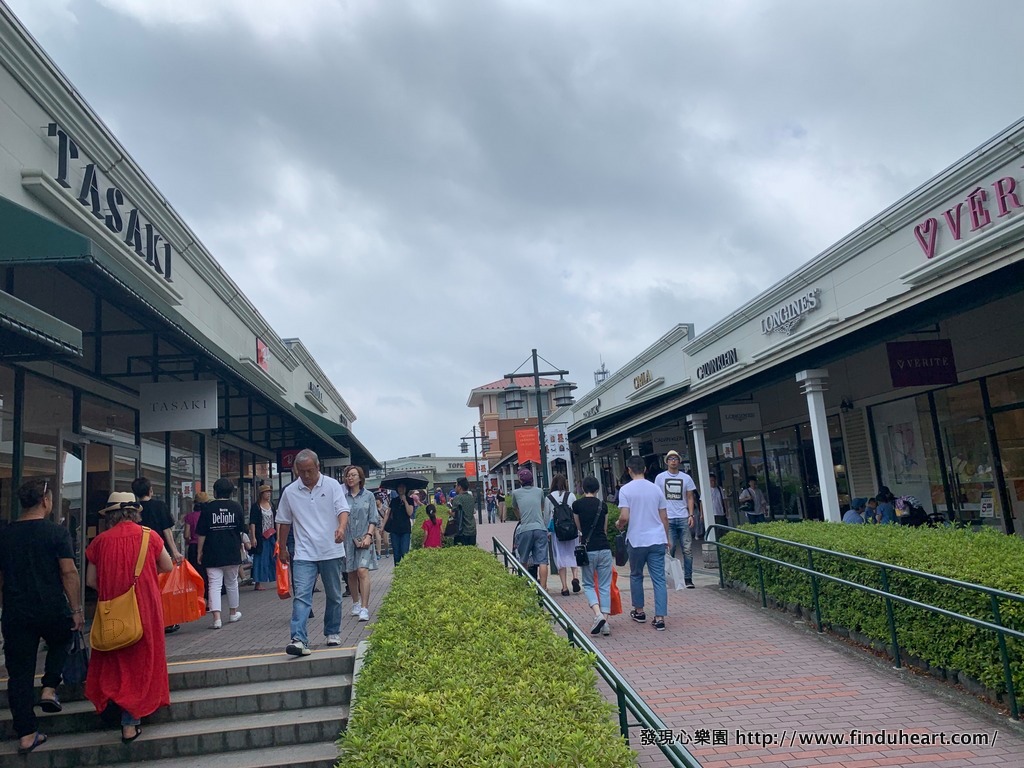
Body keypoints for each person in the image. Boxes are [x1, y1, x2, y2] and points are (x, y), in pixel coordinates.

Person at [0, 478, 84, 754]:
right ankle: (49, 686)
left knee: (19, 673)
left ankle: (26, 733)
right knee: (63, 638)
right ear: (45, 500)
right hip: (50, 606)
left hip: (16, 610)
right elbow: (69, 572)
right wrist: (76, 609)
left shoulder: (5, 534)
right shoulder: (56, 533)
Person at [85, 491, 173, 743]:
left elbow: (91, 580)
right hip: (145, 606)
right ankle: (131, 719)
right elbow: (167, 566)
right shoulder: (149, 536)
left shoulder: (100, 541)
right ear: (135, 512)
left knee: (114, 658)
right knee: (143, 658)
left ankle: (114, 706)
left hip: (112, 609)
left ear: (110, 516)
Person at [276, 449, 350, 655]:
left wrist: (341, 528)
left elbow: (342, 510)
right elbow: (283, 521)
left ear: (318, 467)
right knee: (301, 596)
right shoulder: (290, 491)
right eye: (302, 472)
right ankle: (298, 638)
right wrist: (282, 548)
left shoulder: (332, 485)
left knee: (334, 595)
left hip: (331, 550)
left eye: (310, 471)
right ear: (296, 470)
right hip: (304, 553)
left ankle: (332, 631)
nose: (306, 476)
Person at [615, 455, 670, 631]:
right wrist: (666, 537)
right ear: (645, 469)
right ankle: (660, 617)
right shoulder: (656, 489)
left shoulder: (626, 490)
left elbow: (624, 516)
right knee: (659, 579)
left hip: (637, 539)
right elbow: (664, 517)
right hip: (657, 538)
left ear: (629, 470)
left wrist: (619, 524)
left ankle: (639, 611)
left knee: (636, 574)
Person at [133, 476, 183, 633]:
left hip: (138, 553)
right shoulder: (160, 506)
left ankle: (144, 620)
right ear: (150, 490)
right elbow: (167, 530)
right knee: (162, 587)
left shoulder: (133, 508)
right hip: (159, 551)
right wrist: (174, 551)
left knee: (143, 586)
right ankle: (165, 621)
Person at [197, 478, 247, 629]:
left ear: (215, 491)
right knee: (232, 583)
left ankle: (216, 618)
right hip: (232, 550)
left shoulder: (207, 508)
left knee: (214, 585)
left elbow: (202, 533)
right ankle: (233, 613)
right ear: (231, 492)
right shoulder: (236, 507)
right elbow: (241, 530)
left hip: (212, 551)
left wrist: (199, 551)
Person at [572, 475, 613, 636]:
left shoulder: (577, 505)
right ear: (597, 489)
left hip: (588, 550)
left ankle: (597, 615)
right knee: (604, 586)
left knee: (588, 584)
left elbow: (579, 527)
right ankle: (606, 623)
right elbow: (604, 528)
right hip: (604, 548)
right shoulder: (603, 506)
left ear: (583, 488)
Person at [654, 450, 696, 589]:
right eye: (670, 458)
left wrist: (691, 515)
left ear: (679, 461)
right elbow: (657, 498)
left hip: (683, 516)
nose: (673, 461)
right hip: (668, 517)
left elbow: (690, 497)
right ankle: (669, 579)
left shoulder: (686, 478)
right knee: (669, 548)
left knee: (687, 549)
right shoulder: (660, 478)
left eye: (676, 458)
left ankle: (688, 578)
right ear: (666, 461)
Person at [343, 466, 379, 623]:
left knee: (362, 571)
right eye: (348, 475)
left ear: (360, 478)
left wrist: (369, 535)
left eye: (353, 475)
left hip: (365, 538)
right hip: (348, 539)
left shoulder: (369, 496)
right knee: (351, 572)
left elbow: (373, 518)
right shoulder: (343, 497)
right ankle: (355, 603)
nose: (350, 478)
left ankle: (364, 607)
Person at [544, 474, 580, 596]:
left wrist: (547, 532)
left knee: (559, 557)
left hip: (557, 532)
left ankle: (564, 587)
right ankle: (575, 577)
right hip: (572, 530)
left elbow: (546, 517)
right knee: (573, 554)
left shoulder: (549, 498)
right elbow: (576, 513)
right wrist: (579, 530)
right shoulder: (571, 495)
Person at [512, 468, 549, 587]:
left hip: (525, 529)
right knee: (543, 560)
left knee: (523, 559)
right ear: (532, 480)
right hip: (540, 528)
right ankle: (543, 588)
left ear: (520, 481)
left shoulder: (516, 493)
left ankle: (527, 585)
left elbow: (515, 508)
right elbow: (542, 506)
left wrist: (521, 518)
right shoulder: (539, 491)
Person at [248, 485, 276, 591]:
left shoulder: (272, 505)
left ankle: (273, 577)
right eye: (266, 492)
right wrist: (253, 537)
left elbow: (276, 519)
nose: (268, 494)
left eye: (269, 492)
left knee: (273, 557)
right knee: (260, 558)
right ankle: (258, 582)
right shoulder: (256, 507)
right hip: (261, 536)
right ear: (261, 494)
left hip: (271, 534)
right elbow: (253, 522)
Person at [183, 491, 210, 596]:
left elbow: (186, 534)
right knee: (208, 573)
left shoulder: (190, 516)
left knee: (195, 573)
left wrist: (189, 541)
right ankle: (208, 597)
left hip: (193, 547)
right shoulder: (208, 514)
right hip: (207, 546)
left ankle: (197, 596)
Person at [382, 483, 414, 564]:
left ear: (406, 489)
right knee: (396, 554)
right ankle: (397, 571)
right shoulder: (394, 500)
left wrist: (405, 501)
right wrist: (382, 527)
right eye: (399, 487)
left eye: (403, 487)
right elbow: (387, 513)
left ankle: (406, 572)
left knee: (405, 552)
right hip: (394, 530)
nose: (401, 489)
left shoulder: (410, 500)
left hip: (405, 530)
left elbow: (410, 513)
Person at [451, 477, 478, 546]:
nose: (455, 487)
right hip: (472, 529)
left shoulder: (457, 498)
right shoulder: (471, 497)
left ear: (459, 487)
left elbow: (454, 514)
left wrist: (448, 511)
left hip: (462, 531)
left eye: (456, 485)